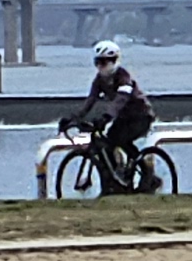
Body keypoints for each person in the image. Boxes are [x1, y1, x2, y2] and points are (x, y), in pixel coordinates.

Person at [59, 39, 153, 183]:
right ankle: (115, 179)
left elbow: (120, 100)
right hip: (124, 118)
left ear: (114, 60)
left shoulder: (123, 78)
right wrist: (73, 118)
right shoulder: (99, 80)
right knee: (107, 143)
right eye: (97, 62)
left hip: (141, 116)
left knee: (120, 140)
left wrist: (107, 116)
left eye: (103, 62)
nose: (100, 66)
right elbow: (90, 100)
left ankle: (146, 175)